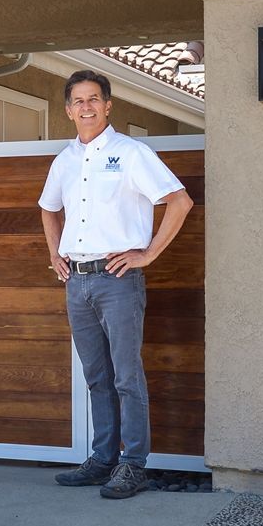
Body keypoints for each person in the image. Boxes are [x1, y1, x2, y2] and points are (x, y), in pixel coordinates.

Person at [38, 70, 193, 499]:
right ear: (68, 110)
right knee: (96, 376)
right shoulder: (64, 160)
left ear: (108, 106)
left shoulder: (131, 153)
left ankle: (134, 464)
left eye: (94, 99)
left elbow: (179, 201)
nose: (86, 107)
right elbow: (49, 209)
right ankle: (102, 459)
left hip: (118, 281)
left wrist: (148, 253)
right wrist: (54, 254)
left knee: (127, 375)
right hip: (77, 282)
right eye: (78, 101)